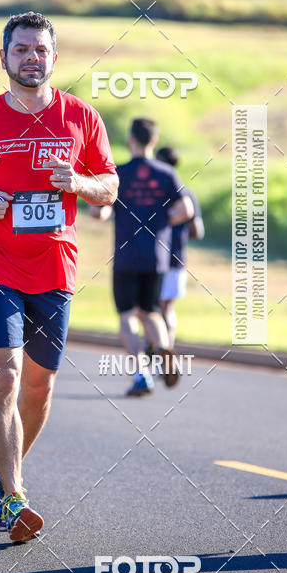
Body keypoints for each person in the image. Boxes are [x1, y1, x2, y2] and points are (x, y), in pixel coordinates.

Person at [0, 11, 118, 542]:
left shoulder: (81, 118)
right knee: (7, 373)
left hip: (54, 266)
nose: (31, 58)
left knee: (39, 389)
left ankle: (1, 474)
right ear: (3, 58)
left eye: (40, 49)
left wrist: (80, 182)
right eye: (21, 49)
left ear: (54, 57)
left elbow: (109, 186)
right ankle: (14, 497)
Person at [92, 118, 193, 397]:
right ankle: (163, 348)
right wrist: (162, 221)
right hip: (156, 257)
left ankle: (141, 376)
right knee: (150, 311)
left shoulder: (118, 173)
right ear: (154, 141)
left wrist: (99, 211)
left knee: (126, 315)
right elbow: (186, 208)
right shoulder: (166, 173)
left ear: (130, 139)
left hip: (126, 257)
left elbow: (101, 211)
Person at [156, 146, 204, 348]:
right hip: (177, 258)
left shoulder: (156, 194)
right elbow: (198, 231)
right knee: (168, 308)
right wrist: (181, 235)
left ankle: (161, 348)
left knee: (156, 309)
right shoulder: (187, 194)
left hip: (157, 256)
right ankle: (168, 347)